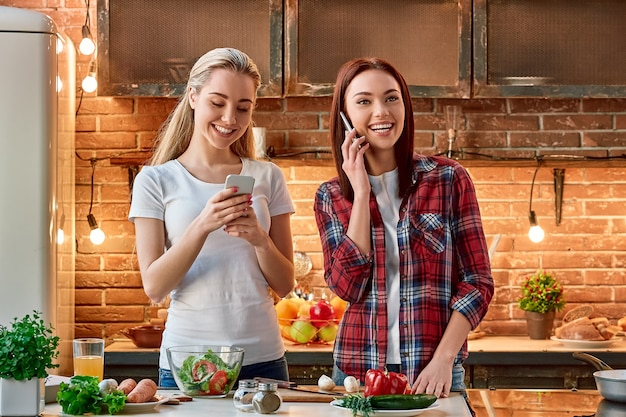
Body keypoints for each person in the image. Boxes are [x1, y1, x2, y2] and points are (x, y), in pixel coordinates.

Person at [314, 57, 494, 398]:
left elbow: (478, 283)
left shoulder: (447, 178)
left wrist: (444, 358)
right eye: (364, 101)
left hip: (434, 372)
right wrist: (362, 190)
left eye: (391, 98)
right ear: (345, 115)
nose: (381, 111)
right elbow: (347, 287)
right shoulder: (331, 196)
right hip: (356, 373)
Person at [129, 47, 296, 387]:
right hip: (188, 362)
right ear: (193, 96)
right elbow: (155, 286)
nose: (230, 118)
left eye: (243, 107)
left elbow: (285, 284)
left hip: (262, 361)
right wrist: (203, 224)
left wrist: (259, 240)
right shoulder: (156, 180)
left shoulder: (268, 177)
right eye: (217, 103)